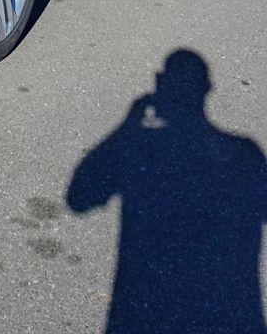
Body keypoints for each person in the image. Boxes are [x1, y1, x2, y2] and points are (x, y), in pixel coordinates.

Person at [68, 49, 267, 334]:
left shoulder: (138, 146)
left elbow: (79, 197)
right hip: (233, 318)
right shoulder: (247, 154)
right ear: (207, 89)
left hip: (139, 313)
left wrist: (127, 127)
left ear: (160, 84)